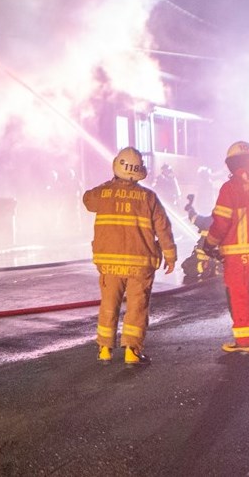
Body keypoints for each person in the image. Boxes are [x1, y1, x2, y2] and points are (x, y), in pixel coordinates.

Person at [83, 147, 177, 365]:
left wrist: (109, 185)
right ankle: (131, 352)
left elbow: (87, 200)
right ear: (139, 171)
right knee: (137, 306)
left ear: (116, 166)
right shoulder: (149, 197)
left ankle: (105, 350)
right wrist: (170, 257)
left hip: (110, 263)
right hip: (140, 263)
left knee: (109, 304)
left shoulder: (103, 193)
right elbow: (163, 228)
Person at [202, 141, 249, 354]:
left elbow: (221, 222)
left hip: (238, 255)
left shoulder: (230, 187)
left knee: (241, 295)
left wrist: (209, 243)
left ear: (231, 164)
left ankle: (247, 341)